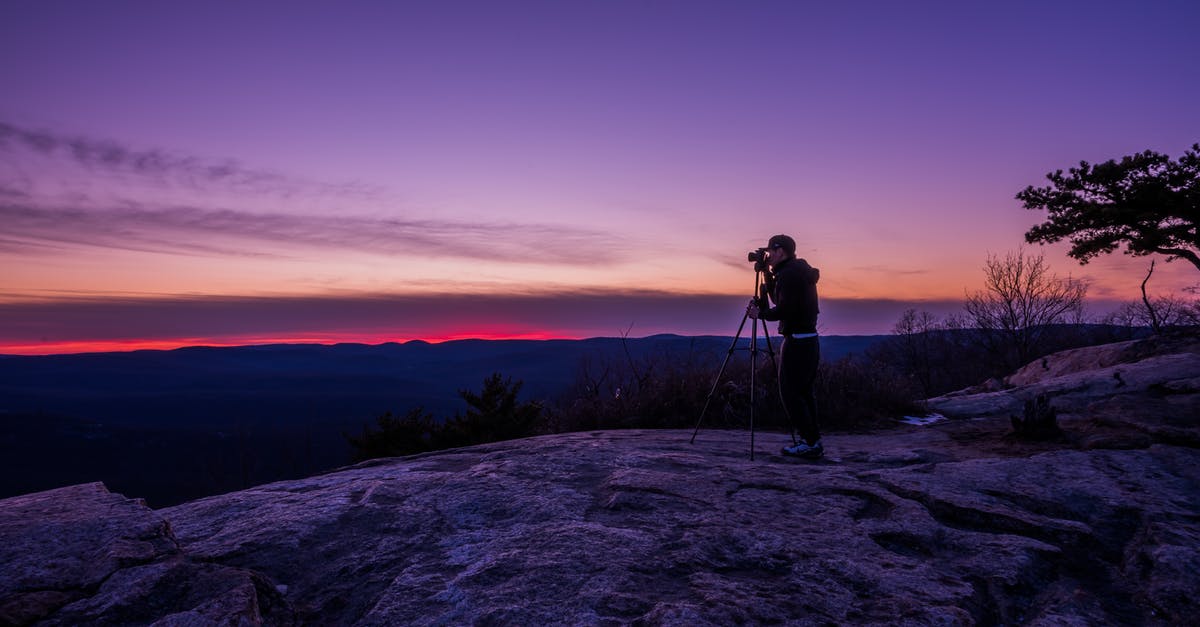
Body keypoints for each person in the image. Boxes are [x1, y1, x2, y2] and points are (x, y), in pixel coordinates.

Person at [747, 234, 823, 459]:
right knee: (804, 393)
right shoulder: (795, 271)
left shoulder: (790, 275)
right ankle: (812, 440)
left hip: (798, 342)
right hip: (808, 341)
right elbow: (778, 299)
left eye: (770, 252)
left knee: (790, 394)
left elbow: (783, 309)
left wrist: (760, 314)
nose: (768, 256)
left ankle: (809, 442)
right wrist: (768, 275)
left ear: (781, 252)